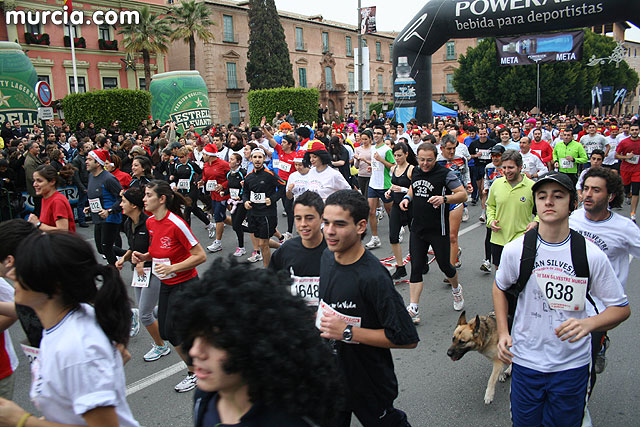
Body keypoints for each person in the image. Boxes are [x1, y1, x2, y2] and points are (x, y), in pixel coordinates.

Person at [493, 172, 630, 427]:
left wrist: (588, 324)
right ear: (535, 204)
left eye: (558, 196)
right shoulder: (516, 249)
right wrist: (503, 331)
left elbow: (621, 308)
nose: (549, 202)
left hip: (571, 365)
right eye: (542, 196)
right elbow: (500, 286)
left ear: (572, 203)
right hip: (526, 362)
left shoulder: (590, 254)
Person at [174, 258, 341, 426]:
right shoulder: (204, 397)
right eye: (195, 336)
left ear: (253, 346)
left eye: (216, 342)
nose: (195, 351)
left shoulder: (287, 422)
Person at [0, 232, 139, 426]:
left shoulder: (77, 347)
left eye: (23, 269)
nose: (11, 274)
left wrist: (21, 420)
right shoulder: (63, 325)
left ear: (54, 285)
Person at [318, 189, 419, 426]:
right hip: (330, 379)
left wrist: (347, 332)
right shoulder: (326, 256)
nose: (329, 231)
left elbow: (407, 338)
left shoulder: (374, 277)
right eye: (326, 222)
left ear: (361, 226)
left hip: (369, 383)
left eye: (340, 224)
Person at [132, 180, 207, 392]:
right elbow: (158, 250)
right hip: (167, 283)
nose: (144, 199)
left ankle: (195, 373)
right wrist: (146, 256)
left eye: (148, 195)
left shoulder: (176, 224)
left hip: (185, 283)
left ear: (162, 199)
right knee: (165, 331)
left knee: (175, 331)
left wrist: (174, 268)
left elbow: (200, 256)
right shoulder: (150, 222)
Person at [400, 142, 468, 324]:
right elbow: (413, 187)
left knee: (445, 266)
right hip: (418, 228)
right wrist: (407, 198)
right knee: (415, 267)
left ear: (436, 158)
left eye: (429, 160)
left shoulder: (445, 174)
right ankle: (413, 307)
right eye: (421, 159)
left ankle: (456, 289)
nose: (425, 163)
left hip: (438, 229)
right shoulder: (414, 171)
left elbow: (462, 194)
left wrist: (444, 198)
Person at [115, 187, 170, 362]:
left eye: (123, 201)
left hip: (153, 270)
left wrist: (143, 261)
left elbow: (158, 248)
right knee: (143, 309)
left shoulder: (149, 222)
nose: (121, 204)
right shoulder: (127, 223)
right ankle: (167, 311)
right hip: (139, 272)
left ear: (133, 204)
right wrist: (124, 258)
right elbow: (133, 246)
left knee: (145, 314)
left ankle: (161, 346)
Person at [269, 191, 326, 306]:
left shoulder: (335, 250)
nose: (303, 224)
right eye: (298, 218)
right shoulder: (286, 250)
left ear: (322, 218)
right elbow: (271, 284)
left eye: (309, 218)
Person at [486, 150, 536, 269]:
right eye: (504, 167)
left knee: (519, 275)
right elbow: (490, 206)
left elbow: (540, 211)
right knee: (500, 275)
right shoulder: (496, 184)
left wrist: (535, 222)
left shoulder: (532, 186)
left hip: (521, 239)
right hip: (498, 238)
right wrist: (491, 221)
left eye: (511, 167)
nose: (507, 171)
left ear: (520, 167)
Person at [242, 148, 285, 267]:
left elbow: (282, 187)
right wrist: (245, 201)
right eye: (255, 157)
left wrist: (272, 199)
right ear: (251, 159)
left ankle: (268, 271)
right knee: (261, 242)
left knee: (263, 244)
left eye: (260, 157)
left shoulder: (269, 174)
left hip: (267, 213)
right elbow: (245, 192)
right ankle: (283, 248)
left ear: (264, 159)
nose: (257, 160)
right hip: (253, 213)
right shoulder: (248, 177)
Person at [437, 134, 473, 269]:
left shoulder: (461, 158)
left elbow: (465, 173)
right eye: (448, 149)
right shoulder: (436, 160)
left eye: (453, 148)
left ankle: (450, 269)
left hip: (456, 198)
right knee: (441, 235)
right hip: (439, 200)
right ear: (442, 148)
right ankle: (455, 252)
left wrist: (468, 184)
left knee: (452, 236)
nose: (451, 152)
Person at [85, 149, 123, 265]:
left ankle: (114, 273)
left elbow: (122, 198)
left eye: (89, 160)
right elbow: (97, 197)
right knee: (101, 249)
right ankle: (130, 254)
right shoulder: (91, 176)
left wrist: (109, 211)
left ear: (98, 163)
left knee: (106, 248)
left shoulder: (109, 179)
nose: (86, 162)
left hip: (110, 218)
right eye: (86, 159)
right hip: (98, 217)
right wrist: (90, 207)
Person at [384, 143, 416, 280]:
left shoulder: (412, 169)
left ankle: (420, 261)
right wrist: (389, 190)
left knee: (415, 237)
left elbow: (415, 187)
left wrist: (402, 190)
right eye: (395, 155)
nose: (396, 158)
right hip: (397, 205)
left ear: (406, 154)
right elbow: (394, 183)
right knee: (393, 236)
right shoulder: (394, 168)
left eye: (399, 155)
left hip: (411, 206)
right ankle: (400, 267)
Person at [365, 126, 395, 250]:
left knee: (390, 212)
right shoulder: (372, 149)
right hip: (373, 184)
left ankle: (397, 231)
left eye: (378, 133)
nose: (376, 135)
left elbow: (393, 166)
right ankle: (375, 238)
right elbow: (376, 165)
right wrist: (372, 167)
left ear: (383, 135)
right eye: (375, 133)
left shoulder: (387, 150)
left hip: (385, 185)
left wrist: (381, 160)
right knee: (371, 212)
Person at [200, 144, 231, 252]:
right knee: (222, 217)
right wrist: (202, 181)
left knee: (218, 217)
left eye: (204, 154)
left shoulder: (223, 164)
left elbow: (232, 176)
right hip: (213, 195)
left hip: (223, 195)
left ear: (210, 155)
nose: (203, 155)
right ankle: (239, 226)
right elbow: (205, 176)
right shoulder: (206, 165)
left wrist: (223, 185)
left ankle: (218, 242)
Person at [27, 164, 76, 232]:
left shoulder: (57, 201)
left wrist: (38, 224)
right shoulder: (45, 198)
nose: (34, 184)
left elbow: (63, 231)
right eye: (34, 181)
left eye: (39, 181)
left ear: (52, 181)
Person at [480, 145, 506, 272]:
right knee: (489, 230)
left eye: (497, 155)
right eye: (493, 156)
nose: (495, 158)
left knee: (503, 231)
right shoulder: (489, 167)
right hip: (492, 203)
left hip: (505, 203)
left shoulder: (506, 168)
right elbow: (486, 179)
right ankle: (487, 260)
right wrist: (485, 188)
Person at [615, 122, 640, 221]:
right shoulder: (624, 142)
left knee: (636, 191)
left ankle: (633, 212)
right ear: (629, 131)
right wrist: (626, 157)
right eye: (632, 130)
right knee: (626, 188)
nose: (634, 132)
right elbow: (616, 155)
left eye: (636, 130)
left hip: (637, 170)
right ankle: (627, 194)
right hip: (625, 169)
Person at [353, 130, 373, 197]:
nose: (364, 141)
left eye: (366, 139)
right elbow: (356, 166)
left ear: (370, 138)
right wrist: (358, 159)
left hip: (371, 175)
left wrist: (366, 161)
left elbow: (376, 164)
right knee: (363, 194)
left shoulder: (373, 149)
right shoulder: (357, 149)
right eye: (362, 139)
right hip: (361, 175)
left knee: (368, 195)